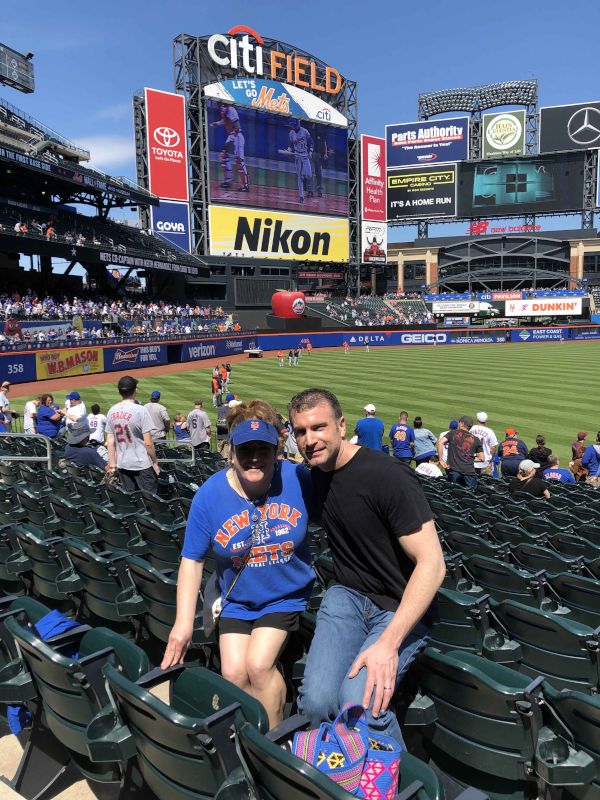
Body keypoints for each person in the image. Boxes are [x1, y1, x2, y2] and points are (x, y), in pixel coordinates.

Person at [289, 388, 445, 748]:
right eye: (301, 431)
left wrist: (388, 645)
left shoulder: (387, 476)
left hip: (397, 606)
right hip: (346, 596)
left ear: (342, 426)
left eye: (319, 427)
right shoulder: (313, 475)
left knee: (358, 703)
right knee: (314, 704)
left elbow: (433, 565)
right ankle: (341, 771)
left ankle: (401, 784)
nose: (310, 440)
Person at [161, 404, 315, 728]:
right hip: (237, 599)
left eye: (263, 449)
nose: (255, 458)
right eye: (246, 449)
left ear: (277, 449)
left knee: (258, 666)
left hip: (284, 594)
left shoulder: (299, 480)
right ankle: (248, 735)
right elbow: (191, 560)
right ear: (231, 451)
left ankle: (275, 744)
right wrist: (182, 624)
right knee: (233, 672)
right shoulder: (210, 495)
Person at [106, 375, 160, 493]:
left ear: (118, 391)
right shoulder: (141, 410)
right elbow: (148, 443)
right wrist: (155, 462)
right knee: (150, 500)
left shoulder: (111, 411)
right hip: (142, 465)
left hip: (123, 464)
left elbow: (110, 441)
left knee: (131, 500)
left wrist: (112, 466)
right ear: (136, 390)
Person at [437, 416, 483, 488]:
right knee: (470, 495)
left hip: (454, 470)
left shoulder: (452, 433)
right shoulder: (476, 439)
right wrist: (469, 457)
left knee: (453, 493)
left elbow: (440, 443)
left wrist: (441, 460)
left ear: (462, 424)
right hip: (469, 472)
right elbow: (481, 458)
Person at [211, 104, 249, 192]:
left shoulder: (231, 110)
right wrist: (216, 123)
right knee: (223, 156)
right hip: (231, 135)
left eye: (222, 108)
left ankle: (245, 185)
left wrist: (231, 139)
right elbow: (224, 121)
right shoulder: (225, 113)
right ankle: (228, 181)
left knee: (239, 161)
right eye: (220, 109)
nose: (221, 110)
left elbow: (237, 128)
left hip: (237, 136)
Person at [286, 119, 313, 204]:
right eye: (292, 125)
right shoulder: (291, 133)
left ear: (298, 124)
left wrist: (311, 151)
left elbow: (311, 142)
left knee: (308, 175)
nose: (293, 126)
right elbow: (291, 144)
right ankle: (301, 196)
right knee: (299, 177)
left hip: (305, 155)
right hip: (297, 156)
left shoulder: (304, 131)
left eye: (294, 125)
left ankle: (305, 178)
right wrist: (289, 150)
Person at [470, 411, 498, 478]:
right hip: (485, 462)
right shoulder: (489, 431)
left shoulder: (471, 429)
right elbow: (493, 448)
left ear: (477, 420)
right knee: (484, 482)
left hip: (471, 460)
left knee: (471, 481)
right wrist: (491, 459)